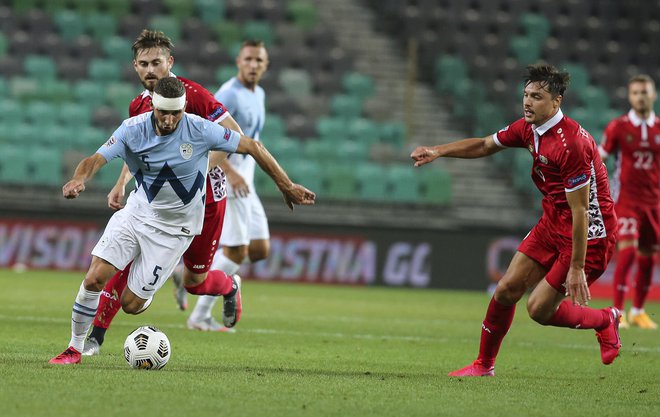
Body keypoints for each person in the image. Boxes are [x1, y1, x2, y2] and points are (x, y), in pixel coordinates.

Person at [49, 77, 316, 364]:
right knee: (94, 278)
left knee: (132, 304)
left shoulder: (200, 129)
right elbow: (96, 159)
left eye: (175, 112)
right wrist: (79, 178)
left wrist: (286, 185)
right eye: (163, 111)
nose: (168, 119)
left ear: (185, 107)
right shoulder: (132, 129)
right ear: (153, 105)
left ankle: (168, 280)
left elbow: (253, 146)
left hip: (174, 231)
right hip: (137, 214)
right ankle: (74, 348)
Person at [411, 64, 621, 376]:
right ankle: (483, 365)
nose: (527, 102)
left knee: (538, 310)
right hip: (553, 222)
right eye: (525, 95)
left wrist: (576, 267)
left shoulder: (571, 145)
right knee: (507, 289)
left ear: (556, 102)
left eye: (536, 97)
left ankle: (605, 319)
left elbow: (582, 211)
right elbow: (484, 145)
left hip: (589, 235)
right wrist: (438, 151)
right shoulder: (529, 129)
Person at [82, 29, 248, 357]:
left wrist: (199, 171)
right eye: (143, 64)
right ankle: (95, 337)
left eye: (156, 63)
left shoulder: (193, 95)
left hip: (205, 202)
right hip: (156, 201)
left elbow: (235, 133)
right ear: (135, 67)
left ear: (169, 62)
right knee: (124, 259)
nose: (150, 70)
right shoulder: (139, 105)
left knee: (195, 282)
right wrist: (121, 182)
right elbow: (139, 150)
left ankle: (229, 285)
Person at [185, 40, 271, 330]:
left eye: (259, 60)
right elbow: (206, 138)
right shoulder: (228, 94)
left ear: (265, 64)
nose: (253, 65)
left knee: (259, 249)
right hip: (229, 176)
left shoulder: (258, 93)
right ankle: (199, 316)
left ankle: (181, 270)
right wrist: (230, 171)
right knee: (236, 251)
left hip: (248, 178)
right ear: (238, 61)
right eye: (248, 59)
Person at [599, 74, 660, 330]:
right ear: (629, 96)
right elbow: (601, 156)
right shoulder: (618, 127)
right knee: (628, 251)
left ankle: (638, 311)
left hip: (654, 202)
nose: (640, 97)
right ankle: (618, 311)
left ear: (653, 95)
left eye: (645, 92)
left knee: (648, 255)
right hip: (626, 200)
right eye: (636, 92)